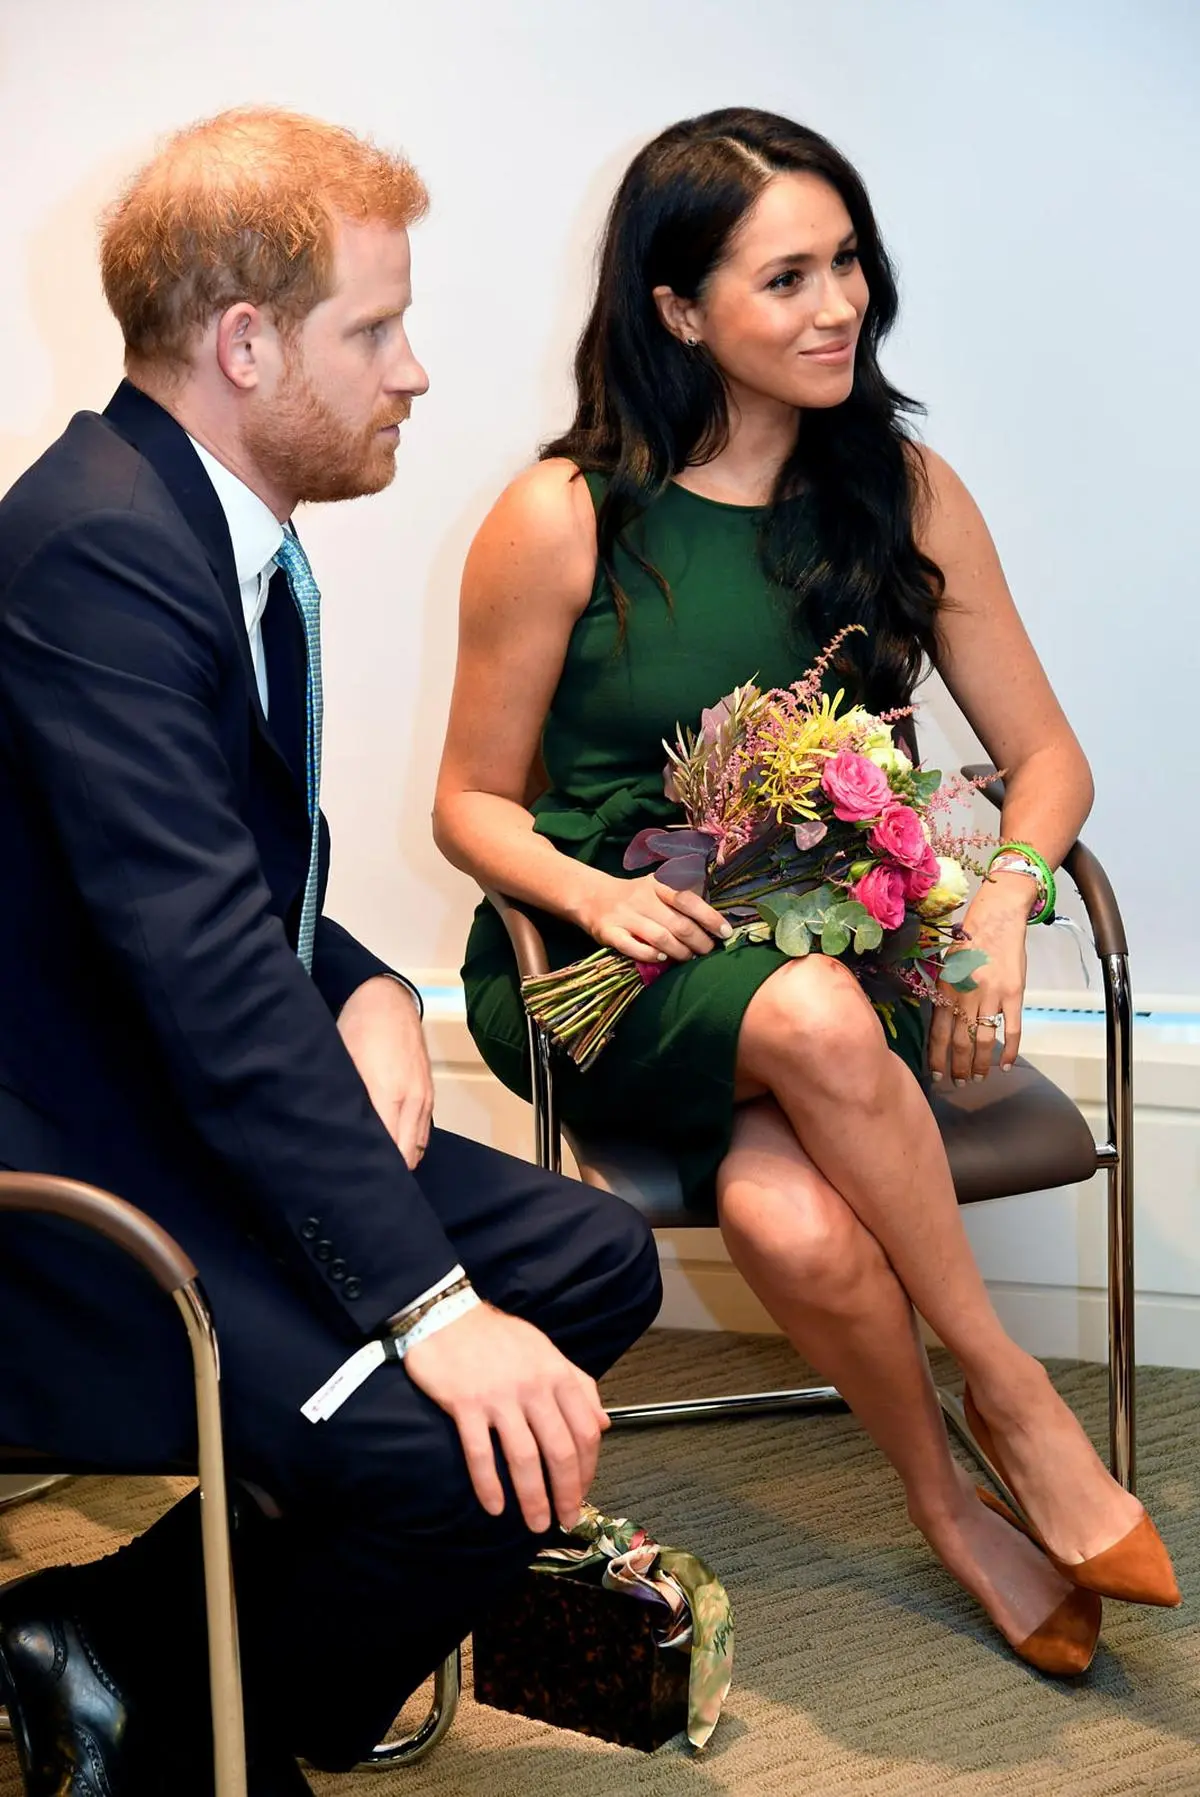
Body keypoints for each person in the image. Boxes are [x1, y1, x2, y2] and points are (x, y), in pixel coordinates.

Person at [435, 106, 1178, 1681]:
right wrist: (588, 888)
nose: (839, 304)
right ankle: (1011, 1394)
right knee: (818, 1018)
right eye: (787, 278)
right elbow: (468, 803)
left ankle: (950, 1509)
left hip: (837, 946)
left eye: (848, 263)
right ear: (678, 310)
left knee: (792, 1211)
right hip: (612, 955)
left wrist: (996, 901)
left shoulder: (902, 490)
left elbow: (1046, 760)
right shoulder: (562, 516)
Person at [0, 107, 660, 1797]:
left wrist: (361, 976)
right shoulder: (96, 548)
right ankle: (195, 1741)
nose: (415, 371)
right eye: (376, 327)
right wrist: (430, 1308)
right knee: (448, 1454)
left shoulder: (194, 521)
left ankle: (122, 1654)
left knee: (594, 1266)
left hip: (179, 1110)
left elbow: (216, 872)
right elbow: (209, 973)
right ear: (244, 343)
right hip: (85, 1177)